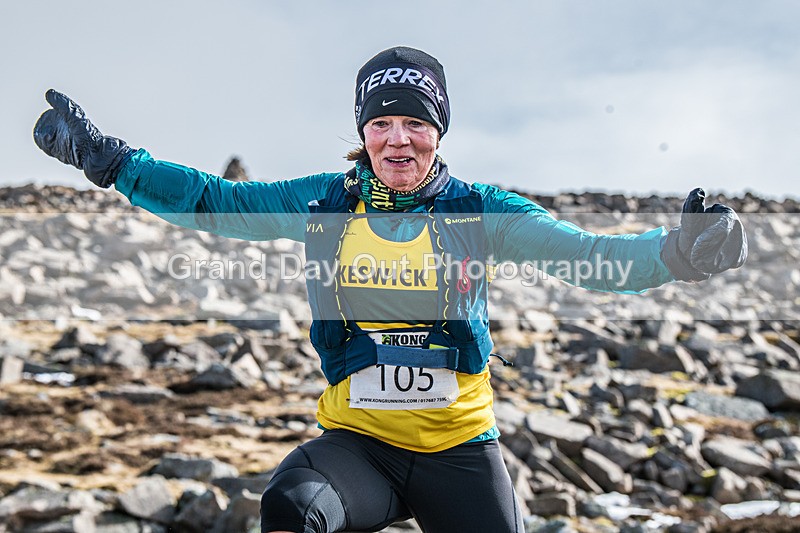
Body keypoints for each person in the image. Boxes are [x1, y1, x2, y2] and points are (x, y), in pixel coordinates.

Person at [33, 46, 746, 533]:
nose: (397, 139)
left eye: (415, 123)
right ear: (363, 132)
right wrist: (111, 162)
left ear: (439, 132)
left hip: (461, 452)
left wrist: (678, 252)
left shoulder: (480, 212)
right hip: (360, 448)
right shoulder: (324, 203)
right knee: (291, 507)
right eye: (381, 123)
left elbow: (592, 257)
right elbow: (214, 201)